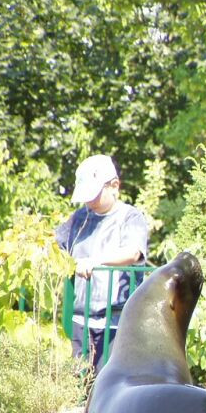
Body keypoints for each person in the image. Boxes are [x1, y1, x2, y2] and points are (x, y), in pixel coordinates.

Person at [55, 154, 149, 374]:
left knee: (107, 387)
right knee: (77, 387)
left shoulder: (130, 218)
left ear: (114, 186)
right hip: (81, 320)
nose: (89, 201)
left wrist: (94, 262)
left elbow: (133, 252)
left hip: (115, 325)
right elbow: (56, 246)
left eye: (94, 195)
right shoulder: (79, 218)